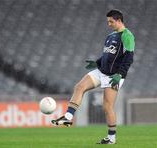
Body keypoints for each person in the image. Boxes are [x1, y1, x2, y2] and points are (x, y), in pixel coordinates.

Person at [51, 9, 135, 144]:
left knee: (107, 107)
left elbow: (129, 58)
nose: (109, 24)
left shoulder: (127, 36)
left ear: (119, 20)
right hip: (101, 71)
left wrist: (120, 74)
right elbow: (107, 55)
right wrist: (97, 63)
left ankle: (111, 138)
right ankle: (67, 118)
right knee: (79, 87)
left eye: (111, 21)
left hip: (114, 75)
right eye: (108, 21)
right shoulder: (111, 35)